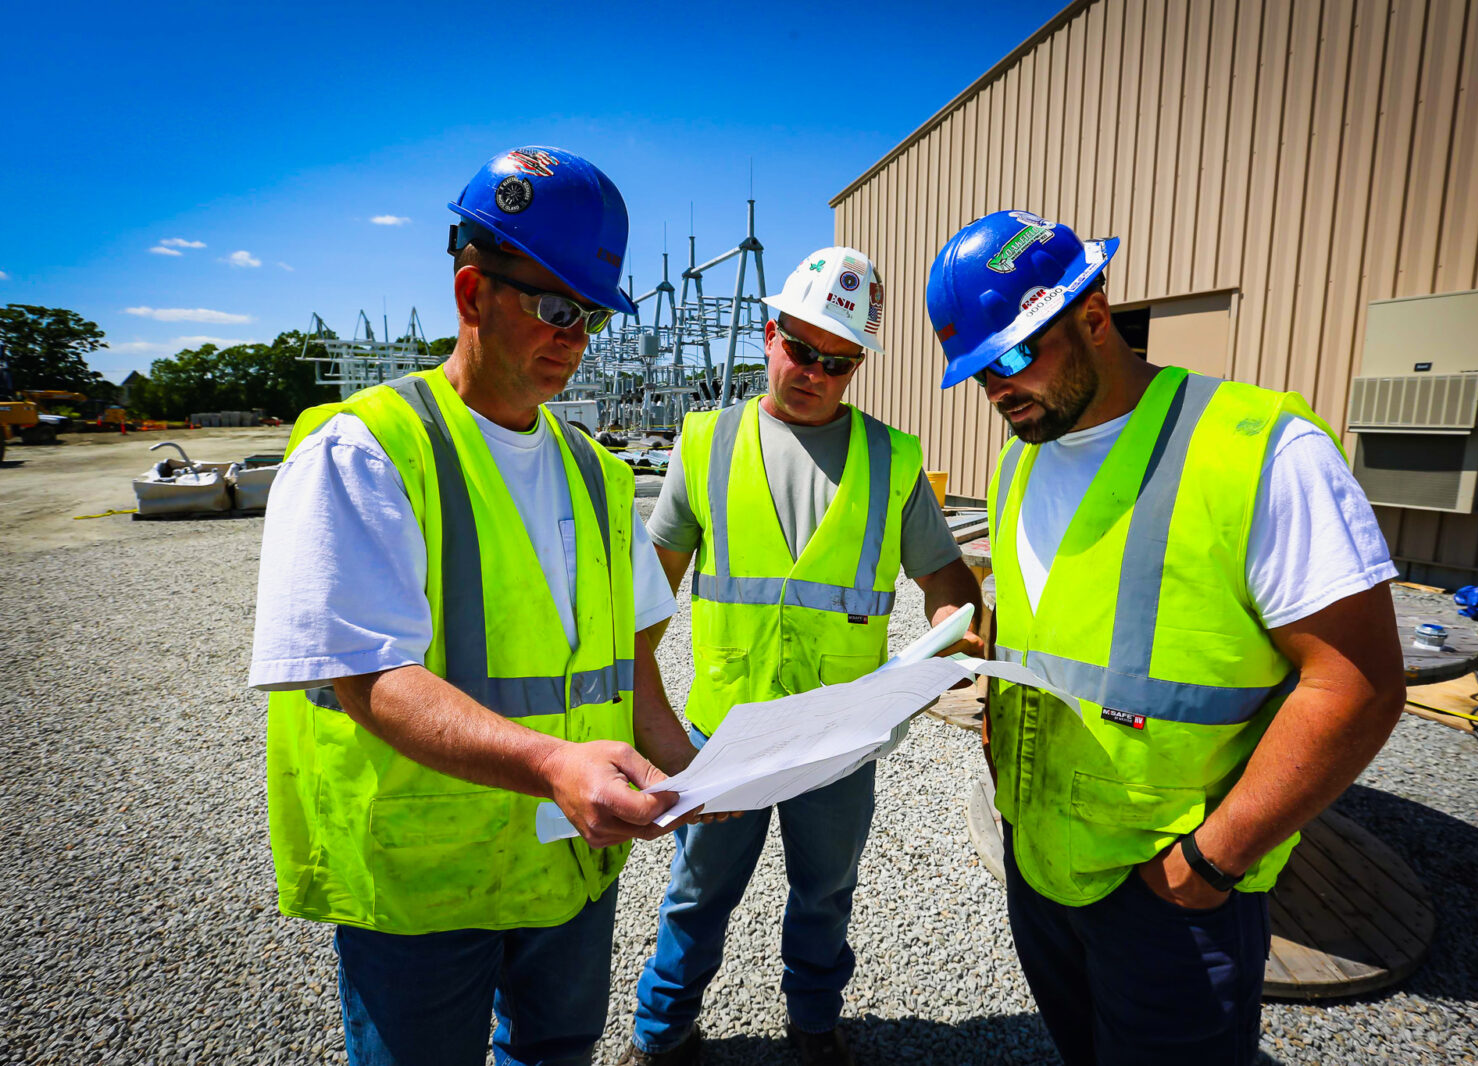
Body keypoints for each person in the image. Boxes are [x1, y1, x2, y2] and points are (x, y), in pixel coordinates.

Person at [249, 145, 705, 1066]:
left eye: (590, 319)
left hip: (567, 862)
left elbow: (634, 664)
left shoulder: (597, 472)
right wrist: (554, 765)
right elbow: (369, 677)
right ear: (471, 294)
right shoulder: (368, 452)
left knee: (555, 1052)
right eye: (553, 308)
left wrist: (696, 766)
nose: (574, 340)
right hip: (429, 879)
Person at [925, 210, 1406, 1065]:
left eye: (1013, 357)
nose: (998, 391)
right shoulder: (1021, 460)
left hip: (1174, 892)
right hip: (1040, 865)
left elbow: (1357, 686)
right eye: (977, 374)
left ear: (1094, 316)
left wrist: (1208, 865)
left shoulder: (1259, 450)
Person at [617, 247, 984, 1066]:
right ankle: (661, 1034)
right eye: (802, 347)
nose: (815, 371)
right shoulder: (704, 444)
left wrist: (952, 632)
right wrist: (651, 725)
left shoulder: (893, 462)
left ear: (858, 365)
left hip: (837, 744)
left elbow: (948, 582)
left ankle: (815, 1027)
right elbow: (647, 606)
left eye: (840, 361)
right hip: (724, 739)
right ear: (770, 331)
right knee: (696, 894)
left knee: (825, 894)